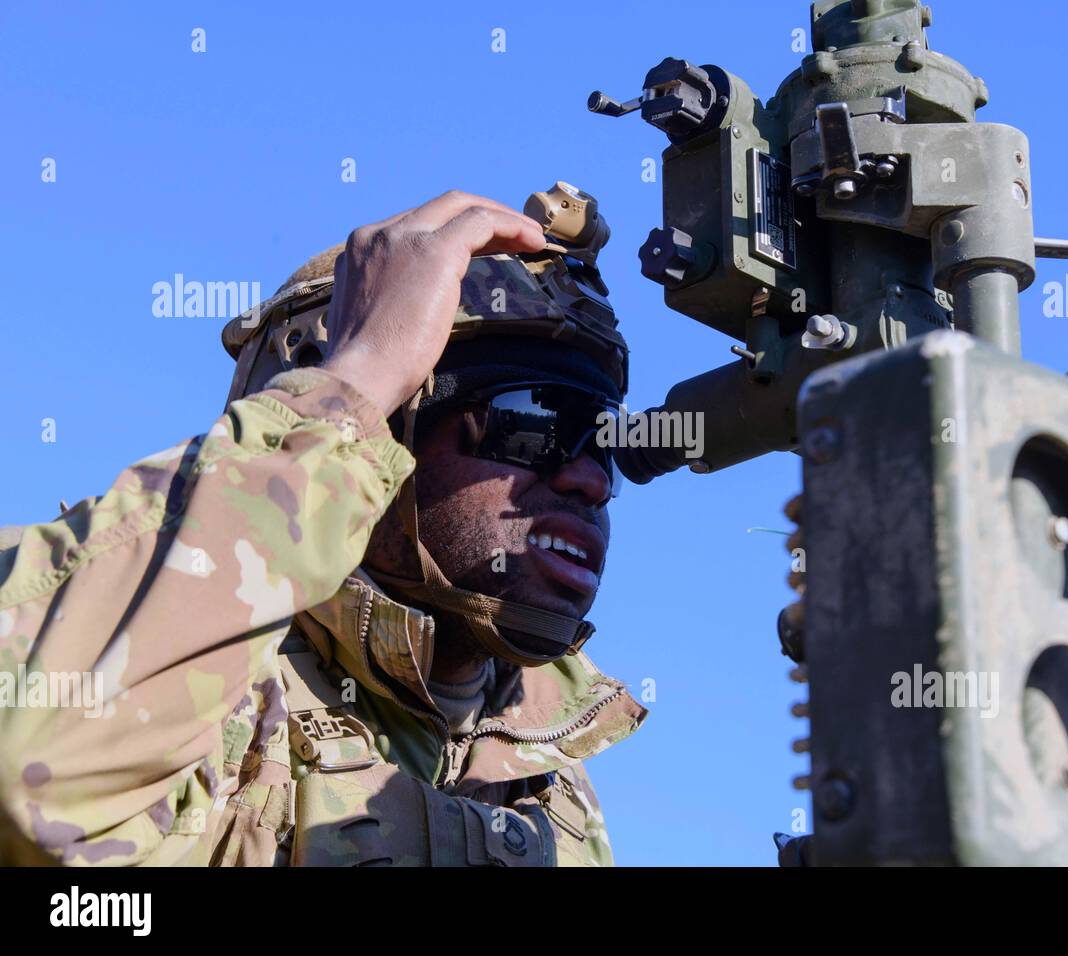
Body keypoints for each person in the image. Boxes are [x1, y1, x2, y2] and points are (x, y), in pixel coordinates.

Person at [0, 185, 647, 866]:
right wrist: (356, 383)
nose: (591, 478)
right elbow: (36, 775)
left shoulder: (553, 790)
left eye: (603, 440)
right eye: (534, 423)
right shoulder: (184, 690)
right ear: (381, 430)